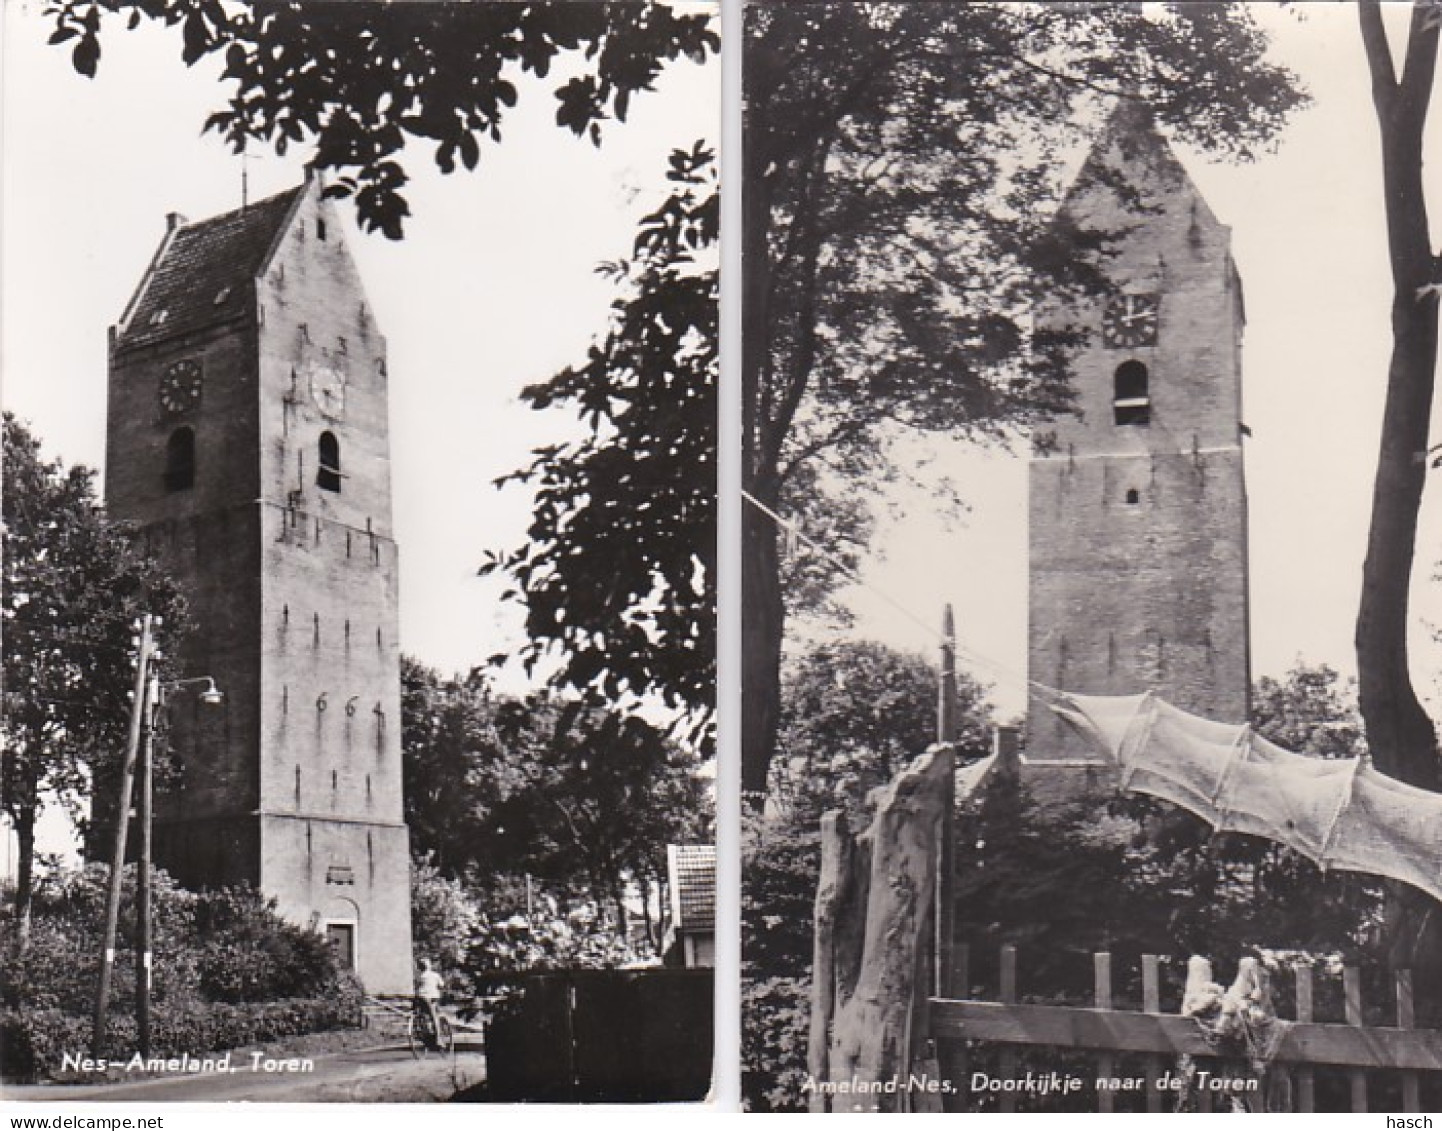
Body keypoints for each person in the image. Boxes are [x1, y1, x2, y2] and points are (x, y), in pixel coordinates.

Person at [414, 957, 445, 1047]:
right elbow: (442, 985)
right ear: (429, 966)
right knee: (434, 1017)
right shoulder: (435, 975)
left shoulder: (420, 976)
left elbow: (417, 986)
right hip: (431, 997)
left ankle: (426, 1032)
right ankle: (438, 1039)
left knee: (424, 1014)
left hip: (420, 997)